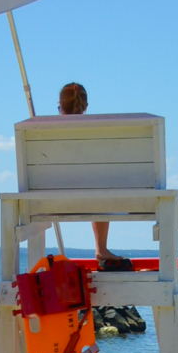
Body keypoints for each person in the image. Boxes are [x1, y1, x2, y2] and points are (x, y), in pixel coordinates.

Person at [59, 82, 132, 271]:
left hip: (50, 198)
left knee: (96, 187)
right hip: (92, 198)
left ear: (61, 105)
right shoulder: (95, 130)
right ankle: (101, 248)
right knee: (100, 185)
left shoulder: (41, 128)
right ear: (85, 107)